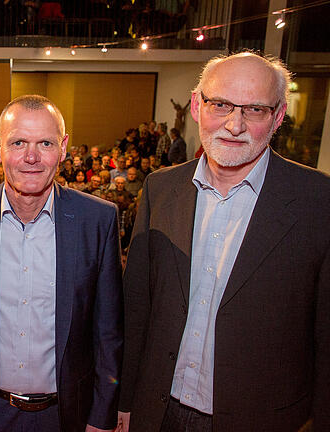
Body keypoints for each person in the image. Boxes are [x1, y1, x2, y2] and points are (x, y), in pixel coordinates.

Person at [120, 52, 330, 432]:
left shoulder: (319, 202)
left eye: (254, 110)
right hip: (156, 412)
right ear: (197, 106)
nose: (235, 125)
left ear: (278, 117)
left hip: (262, 419)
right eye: (221, 105)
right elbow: (138, 311)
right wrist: (123, 402)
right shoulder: (160, 189)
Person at [0, 95, 122, 432]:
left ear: (63, 148)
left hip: (66, 415)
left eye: (45, 143)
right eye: (18, 142)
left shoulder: (98, 220)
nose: (31, 157)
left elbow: (108, 333)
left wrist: (102, 415)